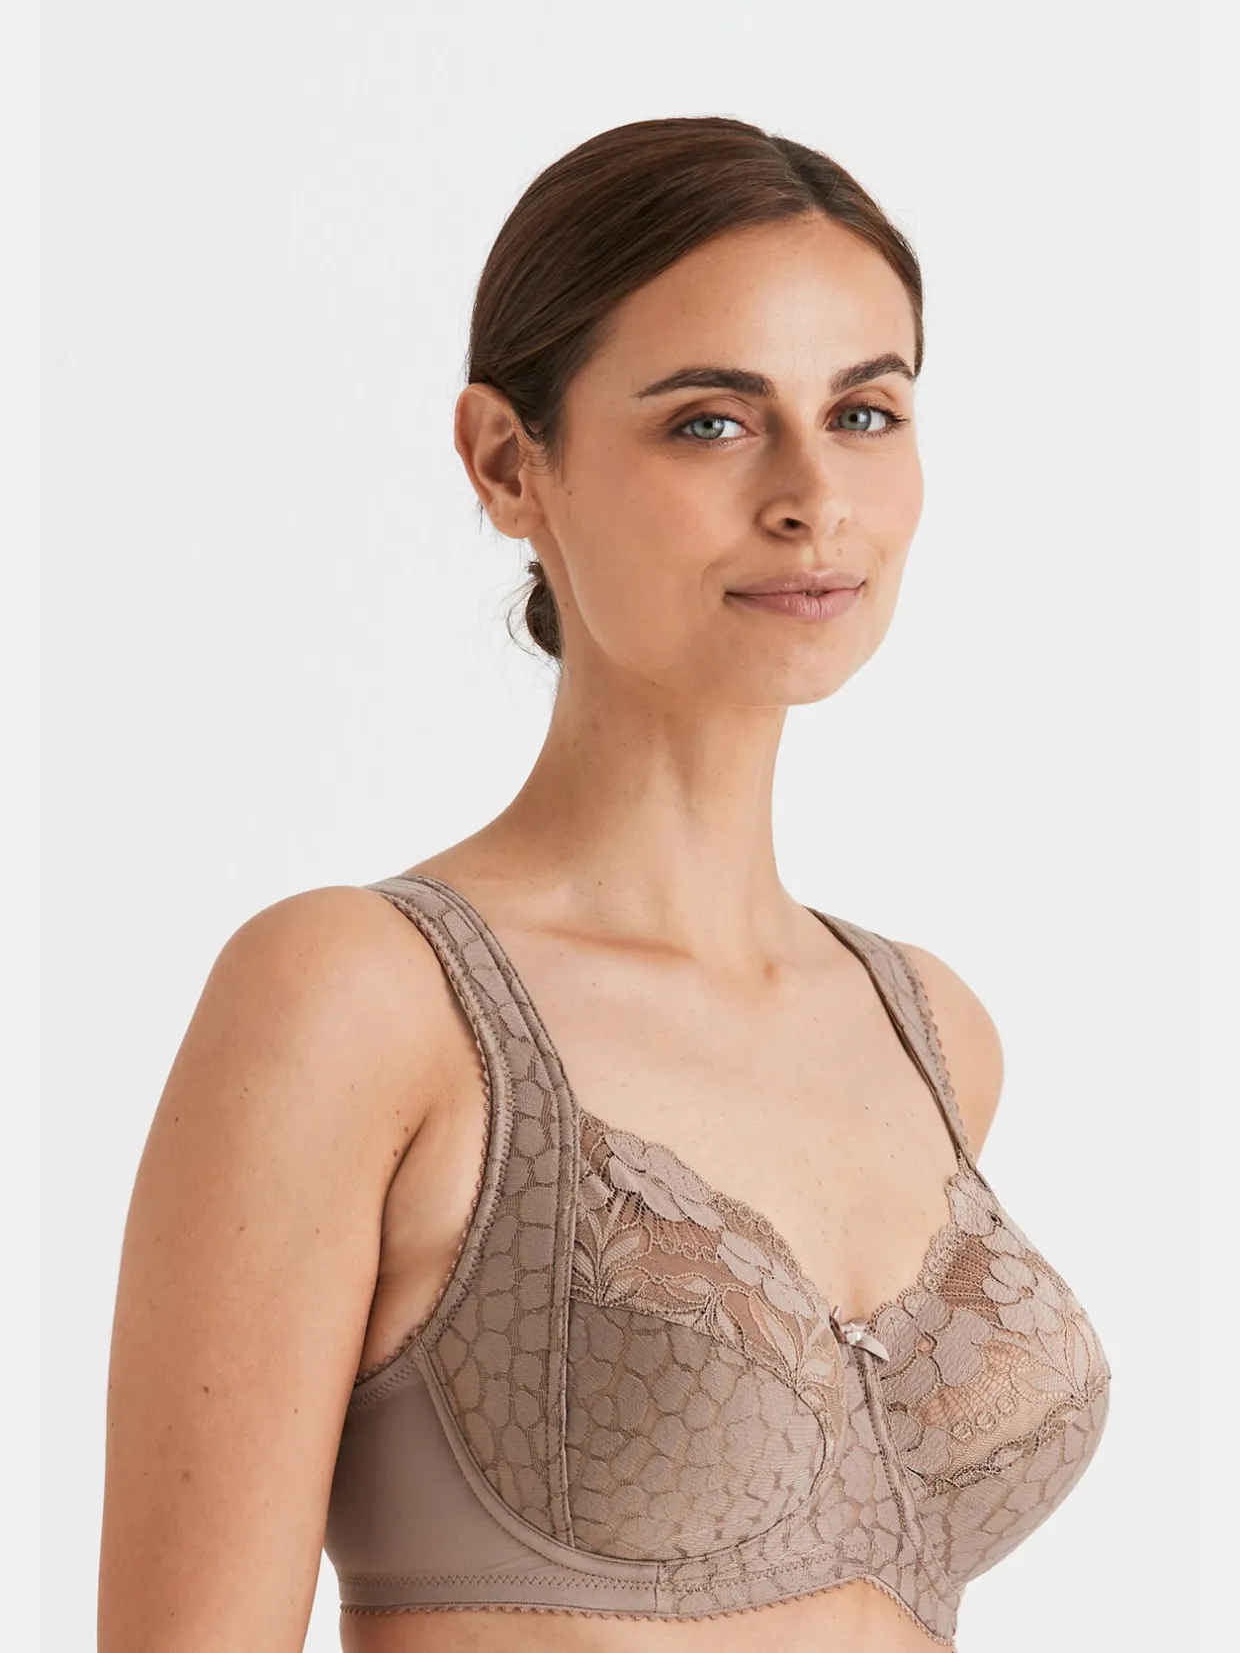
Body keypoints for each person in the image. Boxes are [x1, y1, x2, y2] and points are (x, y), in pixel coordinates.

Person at [98, 116, 1111, 1653]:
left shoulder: (931, 1032)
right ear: (508, 462)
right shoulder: (361, 997)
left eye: (864, 412)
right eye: (711, 421)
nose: (812, 495)